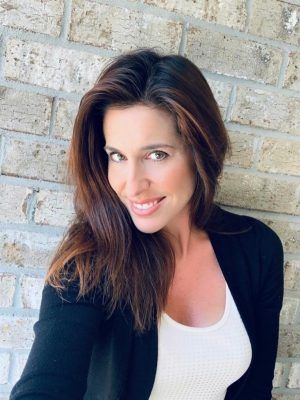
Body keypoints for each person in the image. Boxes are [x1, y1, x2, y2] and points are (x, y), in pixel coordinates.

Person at [9, 47, 284, 400]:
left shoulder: (258, 249)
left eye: (157, 155)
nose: (132, 184)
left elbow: (256, 390)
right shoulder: (88, 265)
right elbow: (45, 385)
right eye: (117, 156)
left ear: (201, 150)